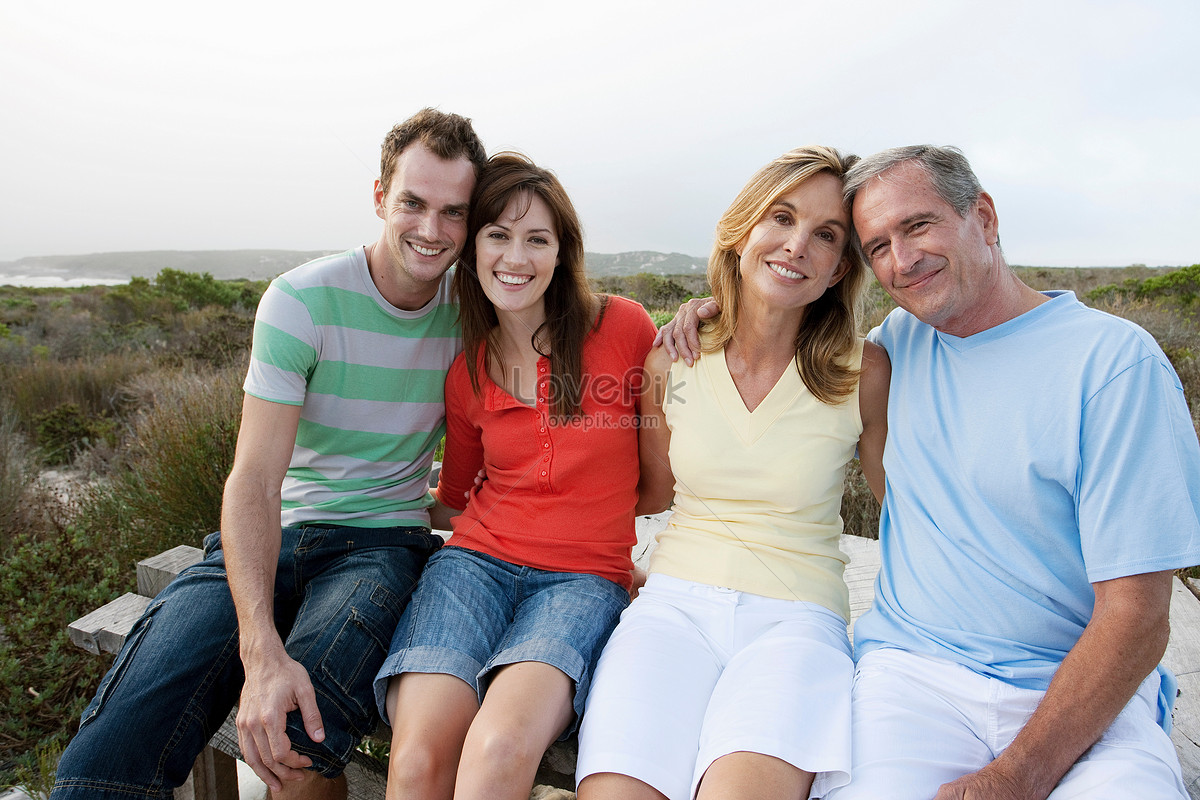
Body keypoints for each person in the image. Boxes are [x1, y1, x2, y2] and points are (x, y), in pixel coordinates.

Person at [661, 145, 1200, 799]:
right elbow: (776, 327)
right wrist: (708, 309)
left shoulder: (1113, 364)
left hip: (1081, 695)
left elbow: (1138, 616)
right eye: (878, 245)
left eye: (918, 226)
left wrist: (1015, 777)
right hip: (913, 679)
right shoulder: (899, 346)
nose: (902, 260)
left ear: (985, 218)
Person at [51, 108, 487, 800]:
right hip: (269, 537)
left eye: (453, 213)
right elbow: (254, 480)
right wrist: (259, 649)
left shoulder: (476, 316)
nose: (432, 230)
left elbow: (577, 322)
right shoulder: (302, 301)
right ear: (380, 197)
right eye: (414, 202)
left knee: (295, 741)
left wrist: (692, 320)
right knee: (101, 762)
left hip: (381, 545)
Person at [575, 146, 890, 800]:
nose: (798, 244)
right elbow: (650, 492)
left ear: (839, 269)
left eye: (826, 235)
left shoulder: (866, 372)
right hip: (671, 611)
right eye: (781, 217)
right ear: (742, 232)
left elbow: (911, 513)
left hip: (797, 621)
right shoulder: (672, 360)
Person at [372, 152, 657, 800]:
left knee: (499, 749)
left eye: (537, 239)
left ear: (563, 253)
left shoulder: (624, 330)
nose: (516, 256)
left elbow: (665, 468)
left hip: (582, 582)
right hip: (473, 567)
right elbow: (453, 501)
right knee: (417, 762)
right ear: (472, 250)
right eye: (498, 235)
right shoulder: (468, 370)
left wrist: (609, 541)